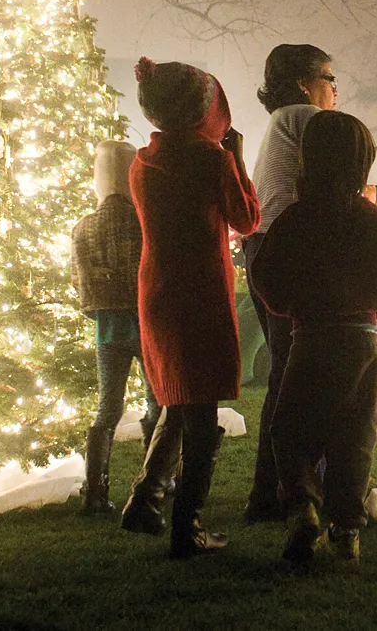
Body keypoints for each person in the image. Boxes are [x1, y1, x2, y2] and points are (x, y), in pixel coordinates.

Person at [241, 43, 377, 522]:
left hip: (280, 249)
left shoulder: (286, 121)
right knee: (294, 380)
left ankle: (296, 492)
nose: (335, 88)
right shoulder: (301, 116)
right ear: (304, 82)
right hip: (295, 250)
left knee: (293, 376)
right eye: (328, 77)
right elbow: (346, 159)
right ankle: (287, 496)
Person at [119, 58, 260, 558]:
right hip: (200, 293)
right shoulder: (209, 159)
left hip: (157, 291)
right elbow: (246, 217)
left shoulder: (142, 162)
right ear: (204, 108)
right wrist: (236, 159)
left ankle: (145, 500)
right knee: (201, 414)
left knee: (180, 399)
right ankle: (188, 526)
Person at [70, 140, 160, 515]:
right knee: (157, 401)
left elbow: (78, 281)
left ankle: (96, 492)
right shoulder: (144, 220)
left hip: (107, 329)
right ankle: (157, 480)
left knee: (108, 407)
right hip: (145, 323)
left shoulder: (84, 226)